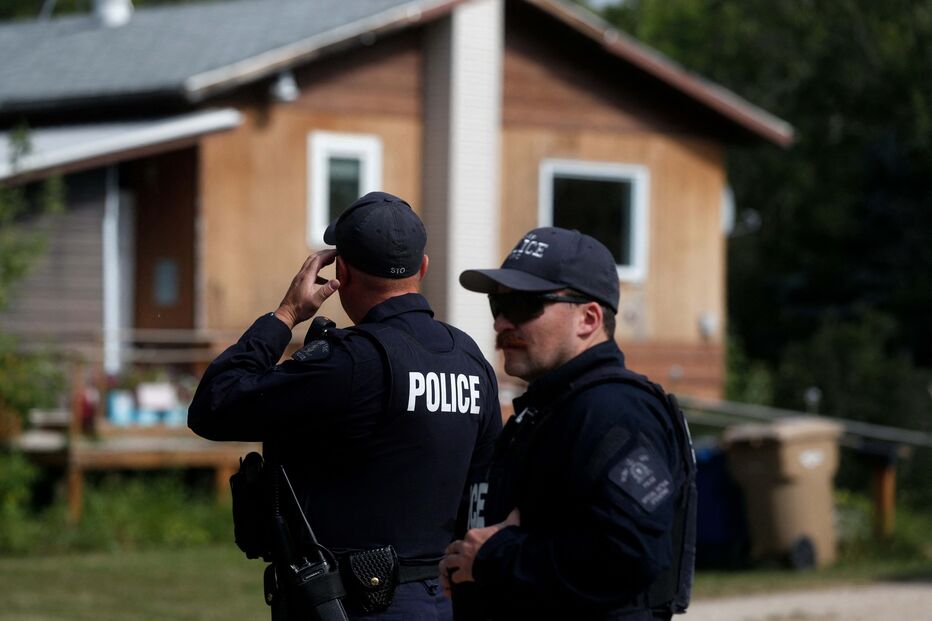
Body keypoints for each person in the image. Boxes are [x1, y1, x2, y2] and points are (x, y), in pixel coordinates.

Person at [188, 192, 502, 620]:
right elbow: (485, 493)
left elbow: (214, 405)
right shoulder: (470, 359)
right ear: (422, 268)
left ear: (342, 272)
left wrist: (284, 315)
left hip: (348, 604)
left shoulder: (351, 360)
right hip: (441, 602)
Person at [439, 227, 696, 621]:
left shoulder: (614, 411)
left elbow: (631, 554)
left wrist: (495, 558)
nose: (502, 323)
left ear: (588, 318)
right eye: (498, 305)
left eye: (524, 305)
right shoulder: (551, 408)